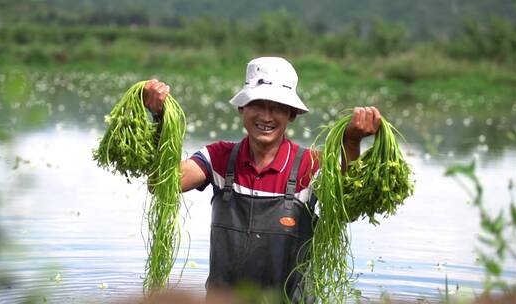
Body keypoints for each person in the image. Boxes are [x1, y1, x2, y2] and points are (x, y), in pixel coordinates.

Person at [142, 57, 381, 301]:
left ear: (292, 114)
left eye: (277, 107)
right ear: (241, 108)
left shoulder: (311, 166)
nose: (266, 117)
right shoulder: (220, 158)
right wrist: (160, 119)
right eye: (257, 104)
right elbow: (160, 185)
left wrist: (351, 144)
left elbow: (346, 211)